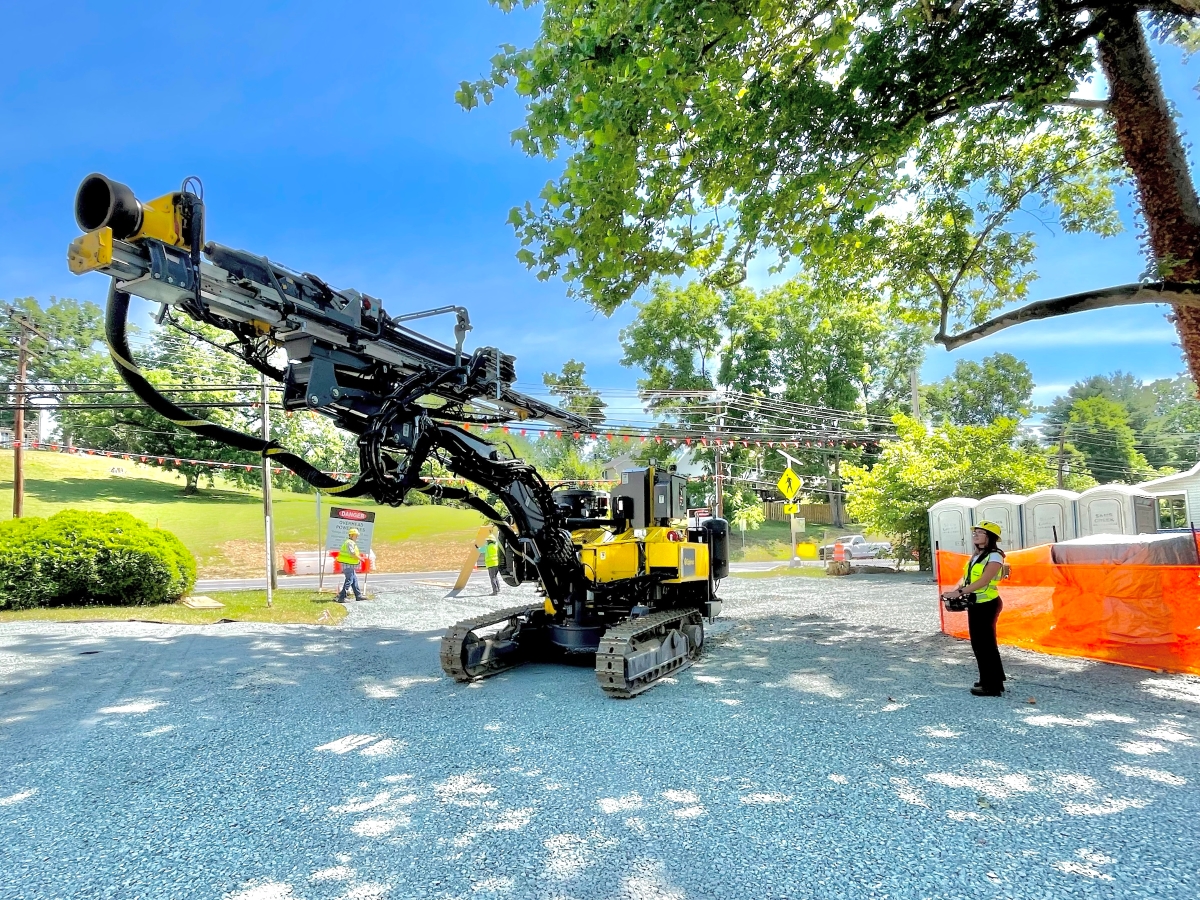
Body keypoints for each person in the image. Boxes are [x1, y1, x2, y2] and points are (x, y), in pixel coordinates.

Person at [941, 520, 1007, 696]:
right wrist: (954, 591)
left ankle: (992, 687)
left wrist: (960, 591)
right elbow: (966, 578)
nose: (975, 535)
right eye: (974, 532)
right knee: (980, 645)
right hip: (976, 603)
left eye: (980, 532)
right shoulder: (976, 556)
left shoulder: (995, 556)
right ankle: (990, 680)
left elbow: (984, 580)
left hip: (988, 604)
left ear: (990, 537)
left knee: (985, 645)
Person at [336, 527, 367, 603]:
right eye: (356, 535)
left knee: (354, 580)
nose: (357, 537)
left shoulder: (351, 542)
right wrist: (360, 558)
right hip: (347, 564)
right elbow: (352, 553)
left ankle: (358, 595)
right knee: (349, 580)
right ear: (351, 535)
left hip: (349, 564)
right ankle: (342, 597)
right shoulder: (350, 543)